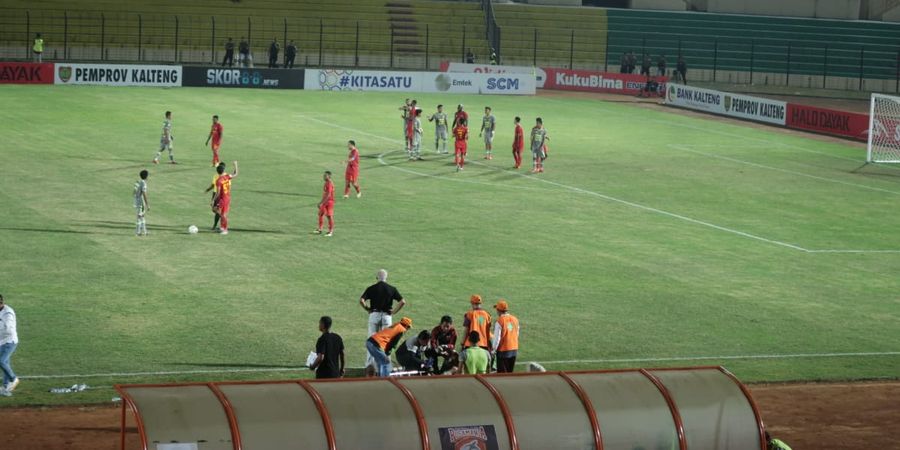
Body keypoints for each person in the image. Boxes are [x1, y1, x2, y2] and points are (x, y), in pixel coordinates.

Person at [491, 300, 519, 373]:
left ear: (498, 310)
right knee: (510, 374)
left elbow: (497, 338)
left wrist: (493, 350)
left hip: (503, 351)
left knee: (502, 375)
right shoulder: (515, 319)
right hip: (514, 349)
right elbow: (517, 334)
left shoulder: (500, 321)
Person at [0, 294, 19, 397]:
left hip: (9, 342)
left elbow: (8, 330)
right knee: (5, 362)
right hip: (1, 341)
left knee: (1, 361)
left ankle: (13, 379)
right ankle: (6, 387)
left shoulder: (8, 313)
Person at [213, 161, 239, 235]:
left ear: (217, 172)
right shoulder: (227, 176)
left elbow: (217, 193)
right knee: (219, 211)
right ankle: (222, 227)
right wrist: (235, 165)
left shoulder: (218, 181)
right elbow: (235, 174)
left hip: (223, 199)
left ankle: (225, 229)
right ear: (223, 171)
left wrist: (213, 200)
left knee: (222, 214)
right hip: (227, 197)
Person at [205, 162, 227, 231]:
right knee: (215, 210)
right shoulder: (226, 175)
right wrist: (208, 189)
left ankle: (220, 223)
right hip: (221, 194)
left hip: (218, 194)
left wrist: (213, 199)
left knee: (216, 209)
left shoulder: (217, 176)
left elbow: (213, 185)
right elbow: (213, 185)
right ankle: (221, 222)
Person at [315, 171, 335, 236]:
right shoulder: (326, 182)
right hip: (325, 201)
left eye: (325, 176)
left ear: (329, 176)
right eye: (324, 175)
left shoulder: (329, 183)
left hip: (329, 202)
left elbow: (329, 194)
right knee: (320, 214)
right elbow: (325, 194)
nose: (323, 177)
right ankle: (320, 229)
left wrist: (321, 203)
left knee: (329, 216)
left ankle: (330, 231)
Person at [133, 170, 150, 236]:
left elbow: (134, 192)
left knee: (142, 216)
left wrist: (136, 198)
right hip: (141, 202)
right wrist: (147, 204)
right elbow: (144, 194)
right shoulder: (144, 183)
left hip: (137, 200)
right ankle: (138, 232)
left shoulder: (138, 182)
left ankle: (145, 232)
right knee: (139, 216)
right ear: (146, 177)